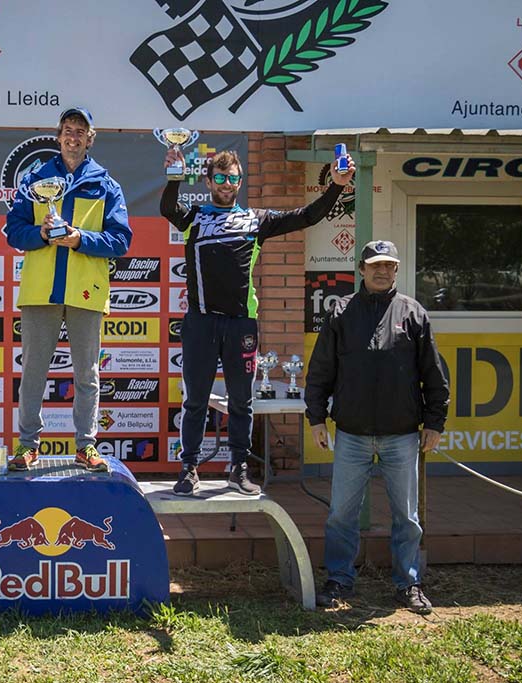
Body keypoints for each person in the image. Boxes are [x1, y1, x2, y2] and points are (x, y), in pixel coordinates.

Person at [160, 147, 354, 496]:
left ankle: (238, 468)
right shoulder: (194, 217)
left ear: (240, 182)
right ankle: (189, 468)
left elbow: (307, 216)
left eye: (233, 178)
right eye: (220, 178)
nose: (226, 184)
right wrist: (175, 177)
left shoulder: (256, 219)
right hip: (201, 322)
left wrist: (337, 185)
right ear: (208, 182)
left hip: (241, 324)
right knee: (196, 400)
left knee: (241, 401)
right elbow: (167, 208)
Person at [305, 240, 449, 614]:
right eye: (374, 265)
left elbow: (434, 374)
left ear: (396, 270)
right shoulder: (340, 312)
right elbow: (321, 369)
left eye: (388, 265)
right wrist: (316, 417)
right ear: (362, 270)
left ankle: (408, 583)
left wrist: (435, 422)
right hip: (351, 434)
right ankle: (339, 579)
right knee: (341, 514)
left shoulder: (413, 313)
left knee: (407, 518)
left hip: (402, 434)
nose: (381, 271)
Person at [4, 107, 132, 472]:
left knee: (87, 374)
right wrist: (41, 234)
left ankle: (86, 446)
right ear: (59, 136)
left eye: (80, 131)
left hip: (85, 290)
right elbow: (14, 231)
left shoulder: (106, 184)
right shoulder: (35, 179)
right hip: (40, 290)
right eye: (68, 130)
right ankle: (28, 445)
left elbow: (121, 240)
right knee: (33, 372)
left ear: (90, 139)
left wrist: (80, 239)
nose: (73, 136)